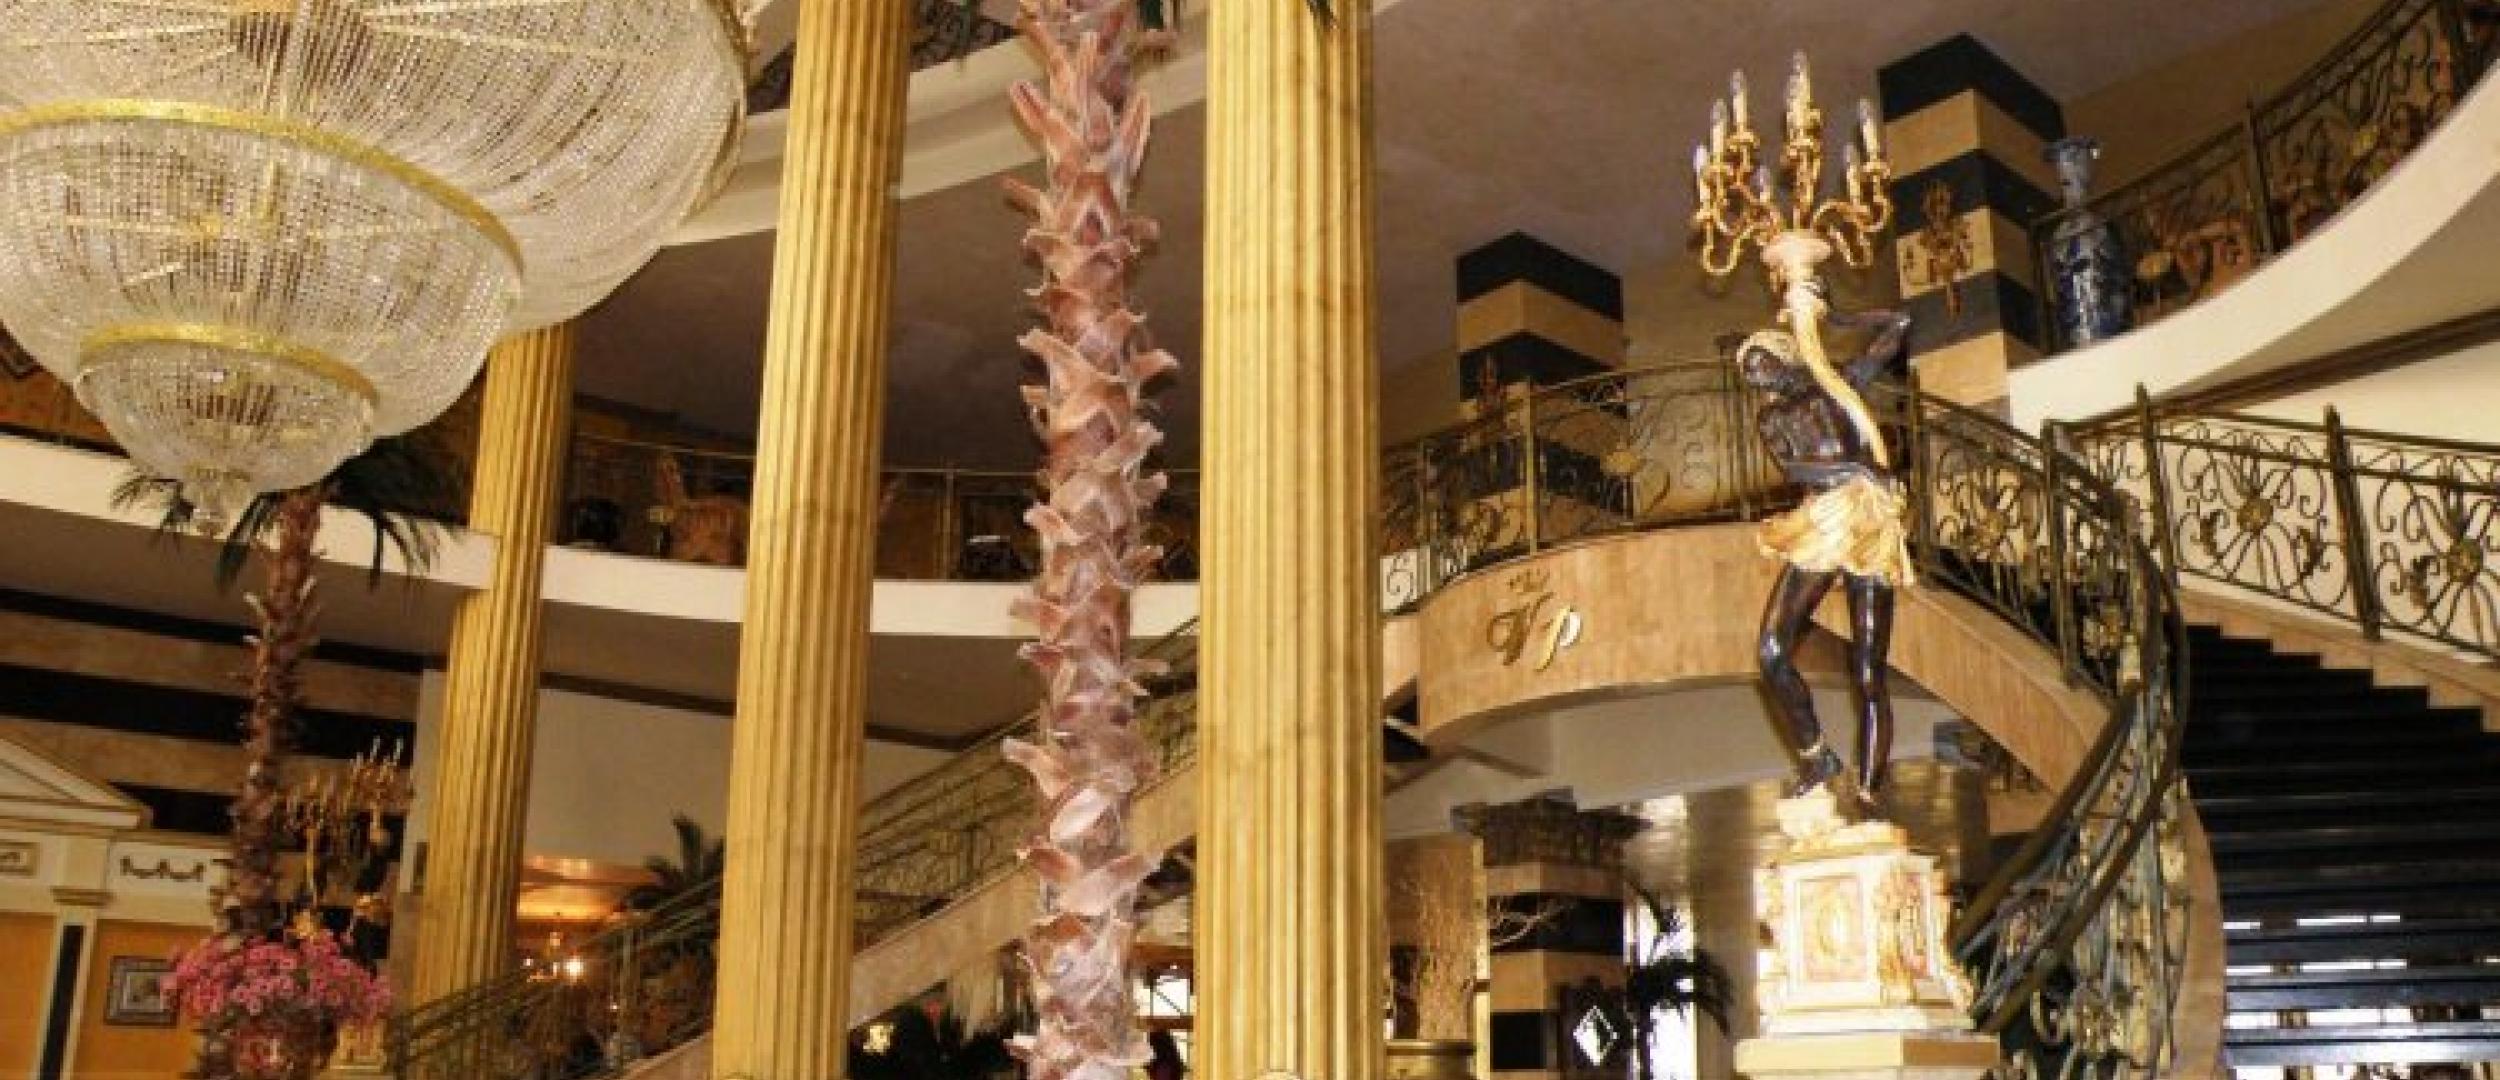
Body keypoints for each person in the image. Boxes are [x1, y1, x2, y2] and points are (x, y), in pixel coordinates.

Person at [1736, 301, 1915, 810]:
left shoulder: (1838, 383)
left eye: (1759, 363)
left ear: (1783, 353)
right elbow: (1797, 471)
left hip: (1867, 518)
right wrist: (1855, 470)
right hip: (1823, 519)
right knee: (1771, 650)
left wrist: (1835, 316)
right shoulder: (1772, 417)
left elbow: (1900, 323)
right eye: (1748, 373)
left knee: (1868, 671)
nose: (1756, 377)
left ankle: (1870, 789)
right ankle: (1816, 756)